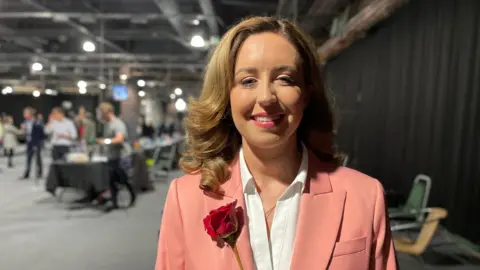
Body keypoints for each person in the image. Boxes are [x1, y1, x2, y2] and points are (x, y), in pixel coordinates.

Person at [155, 17, 397, 270]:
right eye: (248, 80)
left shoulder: (364, 196)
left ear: (306, 94)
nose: (266, 98)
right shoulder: (186, 198)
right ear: (225, 97)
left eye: (284, 78)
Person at [96, 102, 136, 212]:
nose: (100, 116)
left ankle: (132, 196)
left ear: (107, 112)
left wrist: (105, 141)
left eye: (101, 113)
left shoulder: (117, 124)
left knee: (123, 179)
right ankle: (114, 202)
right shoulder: (108, 124)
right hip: (112, 156)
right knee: (112, 181)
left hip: (121, 156)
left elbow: (119, 139)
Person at [20, 107, 45, 179]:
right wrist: (23, 130)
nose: (24, 115)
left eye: (26, 113)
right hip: (29, 142)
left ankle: (40, 173)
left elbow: (41, 133)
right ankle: (27, 173)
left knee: (38, 158)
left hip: (36, 142)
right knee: (28, 158)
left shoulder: (37, 122)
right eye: (24, 114)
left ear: (30, 114)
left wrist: (40, 142)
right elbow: (25, 132)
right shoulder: (25, 122)